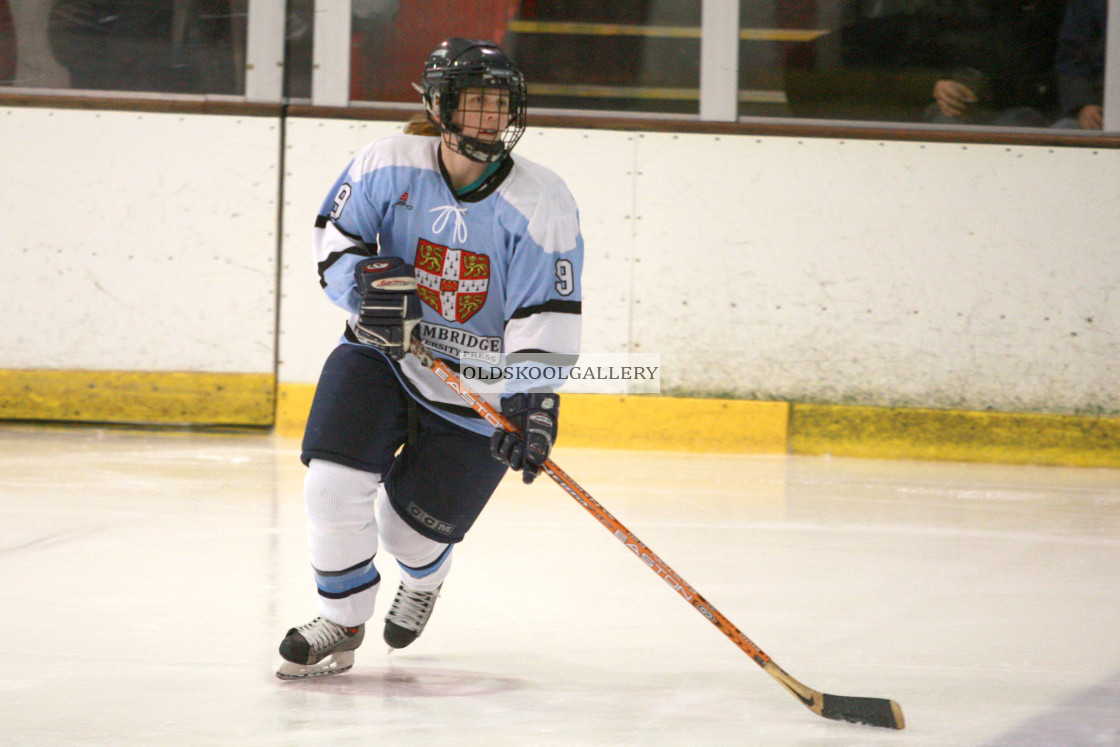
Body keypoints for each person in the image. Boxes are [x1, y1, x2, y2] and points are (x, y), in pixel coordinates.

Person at [276, 37, 584, 680]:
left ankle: (426, 576)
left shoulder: (542, 201)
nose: (489, 120)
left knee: (408, 534)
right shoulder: (387, 161)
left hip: (479, 389)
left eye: (499, 105)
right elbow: (335, 240)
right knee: (331, 485)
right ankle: (343, 617)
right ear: (440, 108)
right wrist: (364, 286)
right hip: (384, 354)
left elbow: (544, 315)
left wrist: (532, 402)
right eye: (474, 104)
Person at [922, 0, 1068, 127]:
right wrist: (938, 84)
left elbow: (1058, 73)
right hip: (960, 106)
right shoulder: (944, 9)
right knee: (946, 124)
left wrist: (991, 90)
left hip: (1023, 108)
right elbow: (910, 70)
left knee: (1014, 124)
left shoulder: (1043, 13)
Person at [1052, 0, 1106, 130]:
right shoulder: (1088, 4)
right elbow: (1072, 58)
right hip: (1100, 111)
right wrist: (1083, 105)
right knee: (1064, 131)